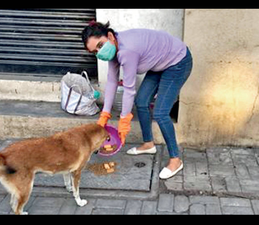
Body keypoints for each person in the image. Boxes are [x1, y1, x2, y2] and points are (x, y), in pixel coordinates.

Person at [82, 21, 193, 179]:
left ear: (110, 36)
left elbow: (128, 88)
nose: (100, 52)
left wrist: (124, 119)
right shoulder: (113, 50)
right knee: (141, 102)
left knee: (161, 113)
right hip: (160, 63)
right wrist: (104, 115)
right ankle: (148, 144)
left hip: (178, 61)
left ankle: (175, 160)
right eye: (95, 51)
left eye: (100, 45)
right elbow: (112, 82)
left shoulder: (127, 51)